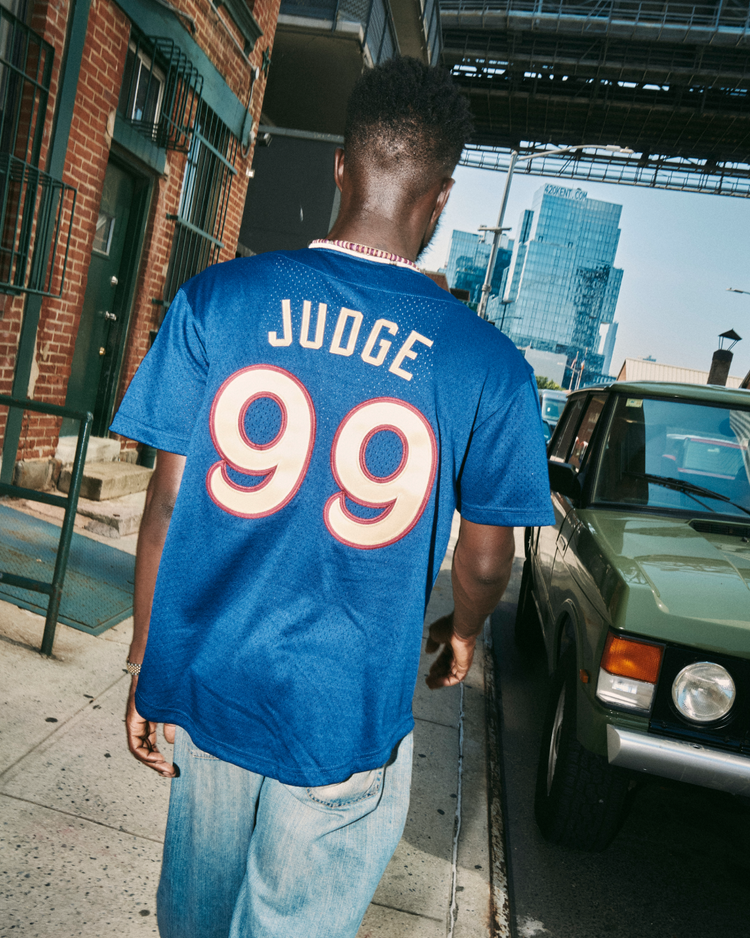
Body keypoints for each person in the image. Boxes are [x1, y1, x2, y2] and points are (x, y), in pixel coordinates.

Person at [111, 56, 553, 938]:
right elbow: (486, 553)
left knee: (194, 918)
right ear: (441, 198)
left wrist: (144, 660)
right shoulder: (490, 367)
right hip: (345, 709)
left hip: (211, 678)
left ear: (341, 166)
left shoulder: (217, 300)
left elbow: (165, 507)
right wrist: (464, 631)